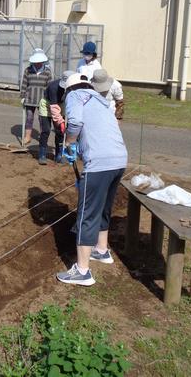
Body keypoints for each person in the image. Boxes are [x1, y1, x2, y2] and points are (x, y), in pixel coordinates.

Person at [57, 73, 128, 286]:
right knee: (103, 207)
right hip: (119, 159)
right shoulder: (99, 99)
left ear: (69, 88)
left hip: (99, 163)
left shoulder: (75, 96)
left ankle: (82, 271)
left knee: (87, 214)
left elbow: (76, 121)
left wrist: (69, 143)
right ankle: (101, 250)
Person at [20, 48, 53, 163]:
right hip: (30, 97)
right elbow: (24, 83)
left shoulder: (48, 71)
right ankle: (27, 136)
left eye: (40, 61)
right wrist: (22, 96)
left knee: (42, 119)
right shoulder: (28, 70)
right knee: (29, 117)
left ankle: (41, 136)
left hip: (42, 99)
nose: (38, 63)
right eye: (36, 61)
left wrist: (49, 98)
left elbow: (49, 86)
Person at [43, 70, 76, 164]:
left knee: (60, 133)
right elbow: (54, 108)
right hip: (48, 104)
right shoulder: (54, 87)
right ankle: (43, 154)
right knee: (48, 129)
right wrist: (61, 122)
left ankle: (59, 154)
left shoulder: (75, 87)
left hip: (62, 104)